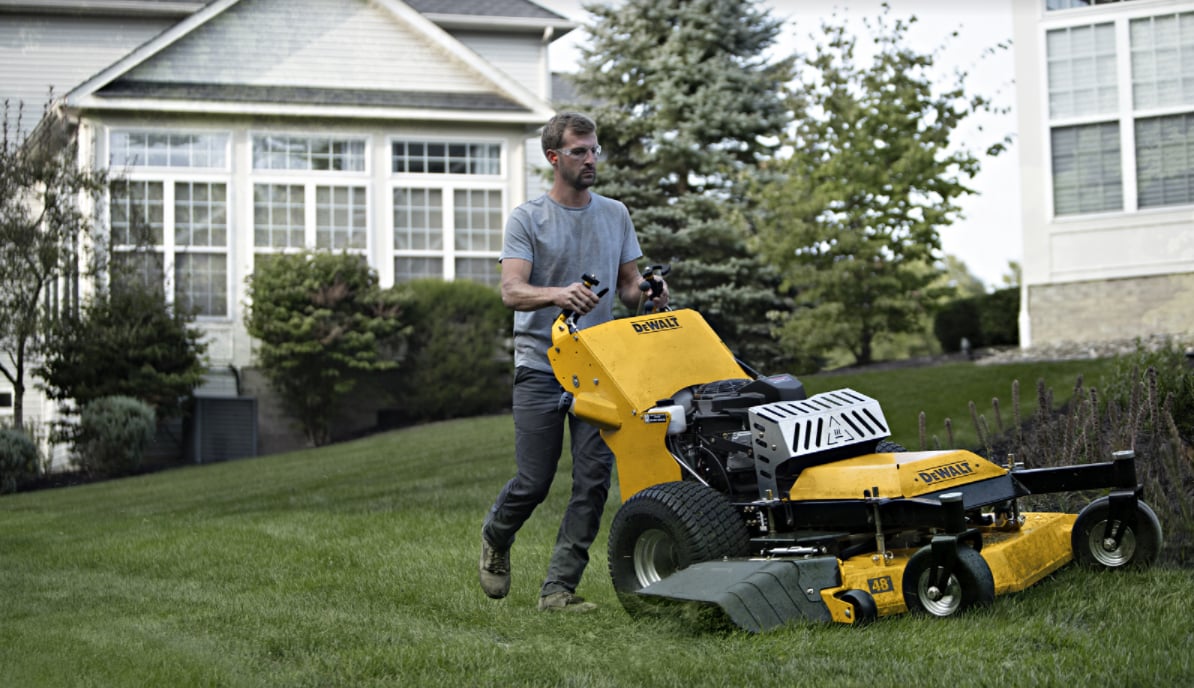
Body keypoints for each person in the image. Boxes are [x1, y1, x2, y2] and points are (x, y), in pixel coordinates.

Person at [479, 112, 667, 612]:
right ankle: (496, 535)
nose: (590, 159)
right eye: (579, 151)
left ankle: (558, 589)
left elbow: (628, 287)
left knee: (593, 483)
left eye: (594, 150)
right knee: (534, 481)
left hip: (598, 371)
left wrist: (649, 291)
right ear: (554, 157)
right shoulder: (528, 218)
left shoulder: (615, 214)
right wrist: (557, 294)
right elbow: (512, 290)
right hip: (540, 366)